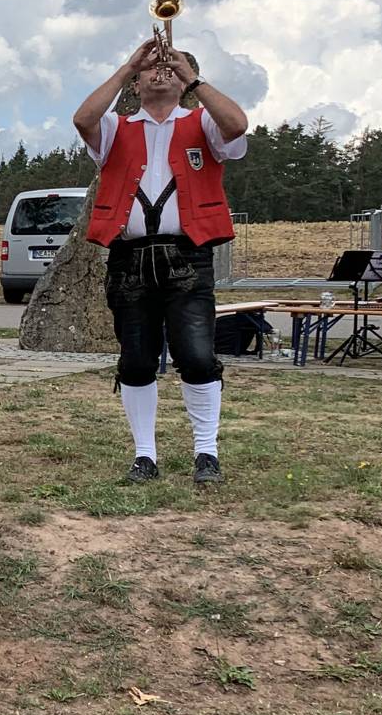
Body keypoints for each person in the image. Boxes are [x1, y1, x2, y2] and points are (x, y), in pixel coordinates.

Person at [72, 39, 250, 485]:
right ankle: (144, 455)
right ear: (135, 83)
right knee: (135, 359)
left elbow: (237, 123)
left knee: (197, 355)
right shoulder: (115, 127)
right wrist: (128, 62)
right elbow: (82, 119)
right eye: (151, 68)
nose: (162, 71)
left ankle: (206, 452)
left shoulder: (203, 122)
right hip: (129, 256)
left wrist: (193, 79)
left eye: (173, 67)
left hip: (186, 254)